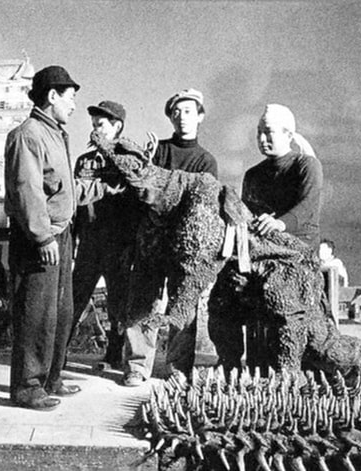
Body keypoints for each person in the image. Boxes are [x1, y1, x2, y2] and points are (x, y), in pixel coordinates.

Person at [4, 65, 116, 411]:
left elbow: (64, 190)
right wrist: (42, 238)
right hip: (39, 237)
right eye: (70, 98)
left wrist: (105, 187)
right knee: (36, 314)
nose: (74, 105)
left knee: (60, 312)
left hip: (60, 235)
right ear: (52, 96)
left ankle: (51, 378)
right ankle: (27, 387)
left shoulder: (54, 134)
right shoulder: (28, 135)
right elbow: (27, 191)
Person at [122, 88, 219, 386]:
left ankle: (178, 366)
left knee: (183, 304)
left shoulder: (206, 161)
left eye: (188, 111)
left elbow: (202, 208)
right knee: (142, 301)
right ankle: (137, 366)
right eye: (176, 112)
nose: (182, 117)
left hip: (184, 245)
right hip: (151, 239)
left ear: (200, 116)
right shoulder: (158, 152)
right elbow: (141, 192)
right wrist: (145, 164)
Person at [69, 100, 134, 370]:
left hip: (117, 244)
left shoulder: (128, 160)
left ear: (117, 126)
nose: (96, 129)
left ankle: (114, 354)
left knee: (117, 302)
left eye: (102, 124)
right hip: (89, 242)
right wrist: (73, 242)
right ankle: (57, 355)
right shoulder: (84, 161)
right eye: (94, 124)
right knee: (74, 299)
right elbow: (74, 206)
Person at [242, 104, 322, 247]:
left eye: (268, 132)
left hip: (301, 246)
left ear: (288, 135)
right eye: (259, 132)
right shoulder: (252, 175)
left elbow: (308, 205)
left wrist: (280, 223)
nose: (262, 138)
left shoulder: (306, 165)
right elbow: (247, 214)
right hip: (265, 245)